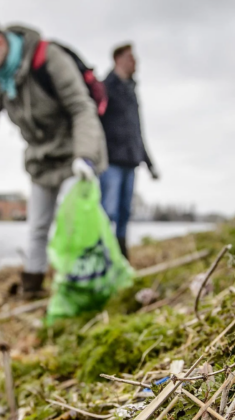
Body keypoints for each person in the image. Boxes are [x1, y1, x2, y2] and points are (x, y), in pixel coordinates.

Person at [0, 2, 107, 295]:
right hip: (41, 161)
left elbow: (83, 109)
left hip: (75, 157)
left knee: (74, 224)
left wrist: (85, 156)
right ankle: (32, 288)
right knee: (37, 228)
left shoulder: (48, 58)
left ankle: (83, 288)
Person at [99, 43, 157, 261]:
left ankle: (122, 257)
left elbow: (137, 130)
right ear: (118, 59)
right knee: (108, 210)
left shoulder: (131, 90)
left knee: (124, 212)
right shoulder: (106, 88)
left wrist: (149, 163)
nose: (136, 62)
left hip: (131, 161)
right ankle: (103, 257)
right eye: (131, 57)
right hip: (111, 161)